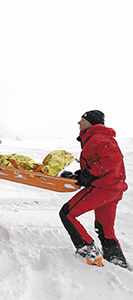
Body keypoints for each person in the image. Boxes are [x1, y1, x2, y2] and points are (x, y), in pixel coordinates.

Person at [59, 110, 129, 268]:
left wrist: (89, 174)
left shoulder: (98, 137)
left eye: (82, 119)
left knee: (67, 213)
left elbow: (111, 160)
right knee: (104, 227)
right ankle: (116, 260)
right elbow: (99, 160)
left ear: (92, 122)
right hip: (113, 189)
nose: (79, 122)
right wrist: (82, 174)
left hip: (103, 187)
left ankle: (89, 251)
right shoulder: (98, 137)